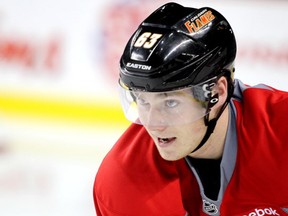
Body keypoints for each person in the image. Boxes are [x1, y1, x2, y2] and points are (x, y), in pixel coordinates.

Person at [93, 2, 288, 215]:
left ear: (217, 93)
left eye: (170, 103)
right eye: (143, 101)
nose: (154, 123)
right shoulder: (122, 183)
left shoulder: (281, 132)